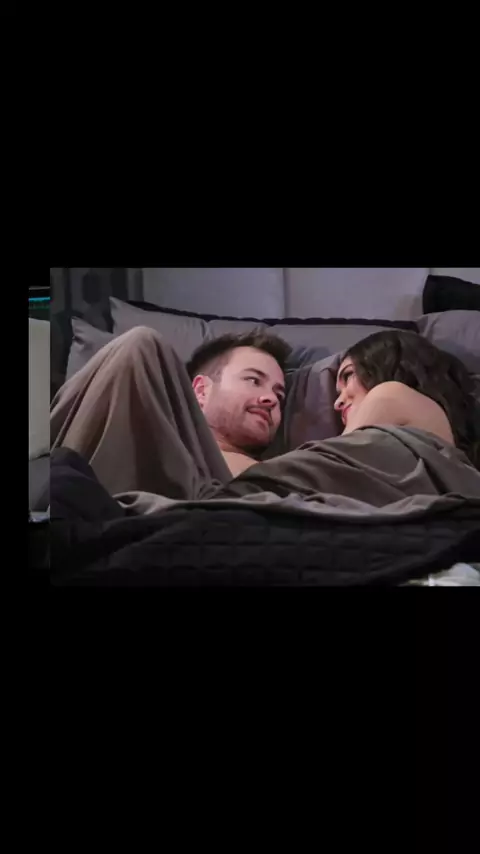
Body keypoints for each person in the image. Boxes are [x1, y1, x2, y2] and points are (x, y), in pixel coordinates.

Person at [50, 326, 291, 500]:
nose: (270, 399)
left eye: (279, 395)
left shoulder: (283, 472)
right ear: (201, 390)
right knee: (141, 344)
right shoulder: (146, 433)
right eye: (254, 380)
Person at [333, 330, 479, 467]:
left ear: (389, 366)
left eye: (348, 375)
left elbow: (330, 466)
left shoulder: (389, 394)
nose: (337, 403)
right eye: (338, 393)